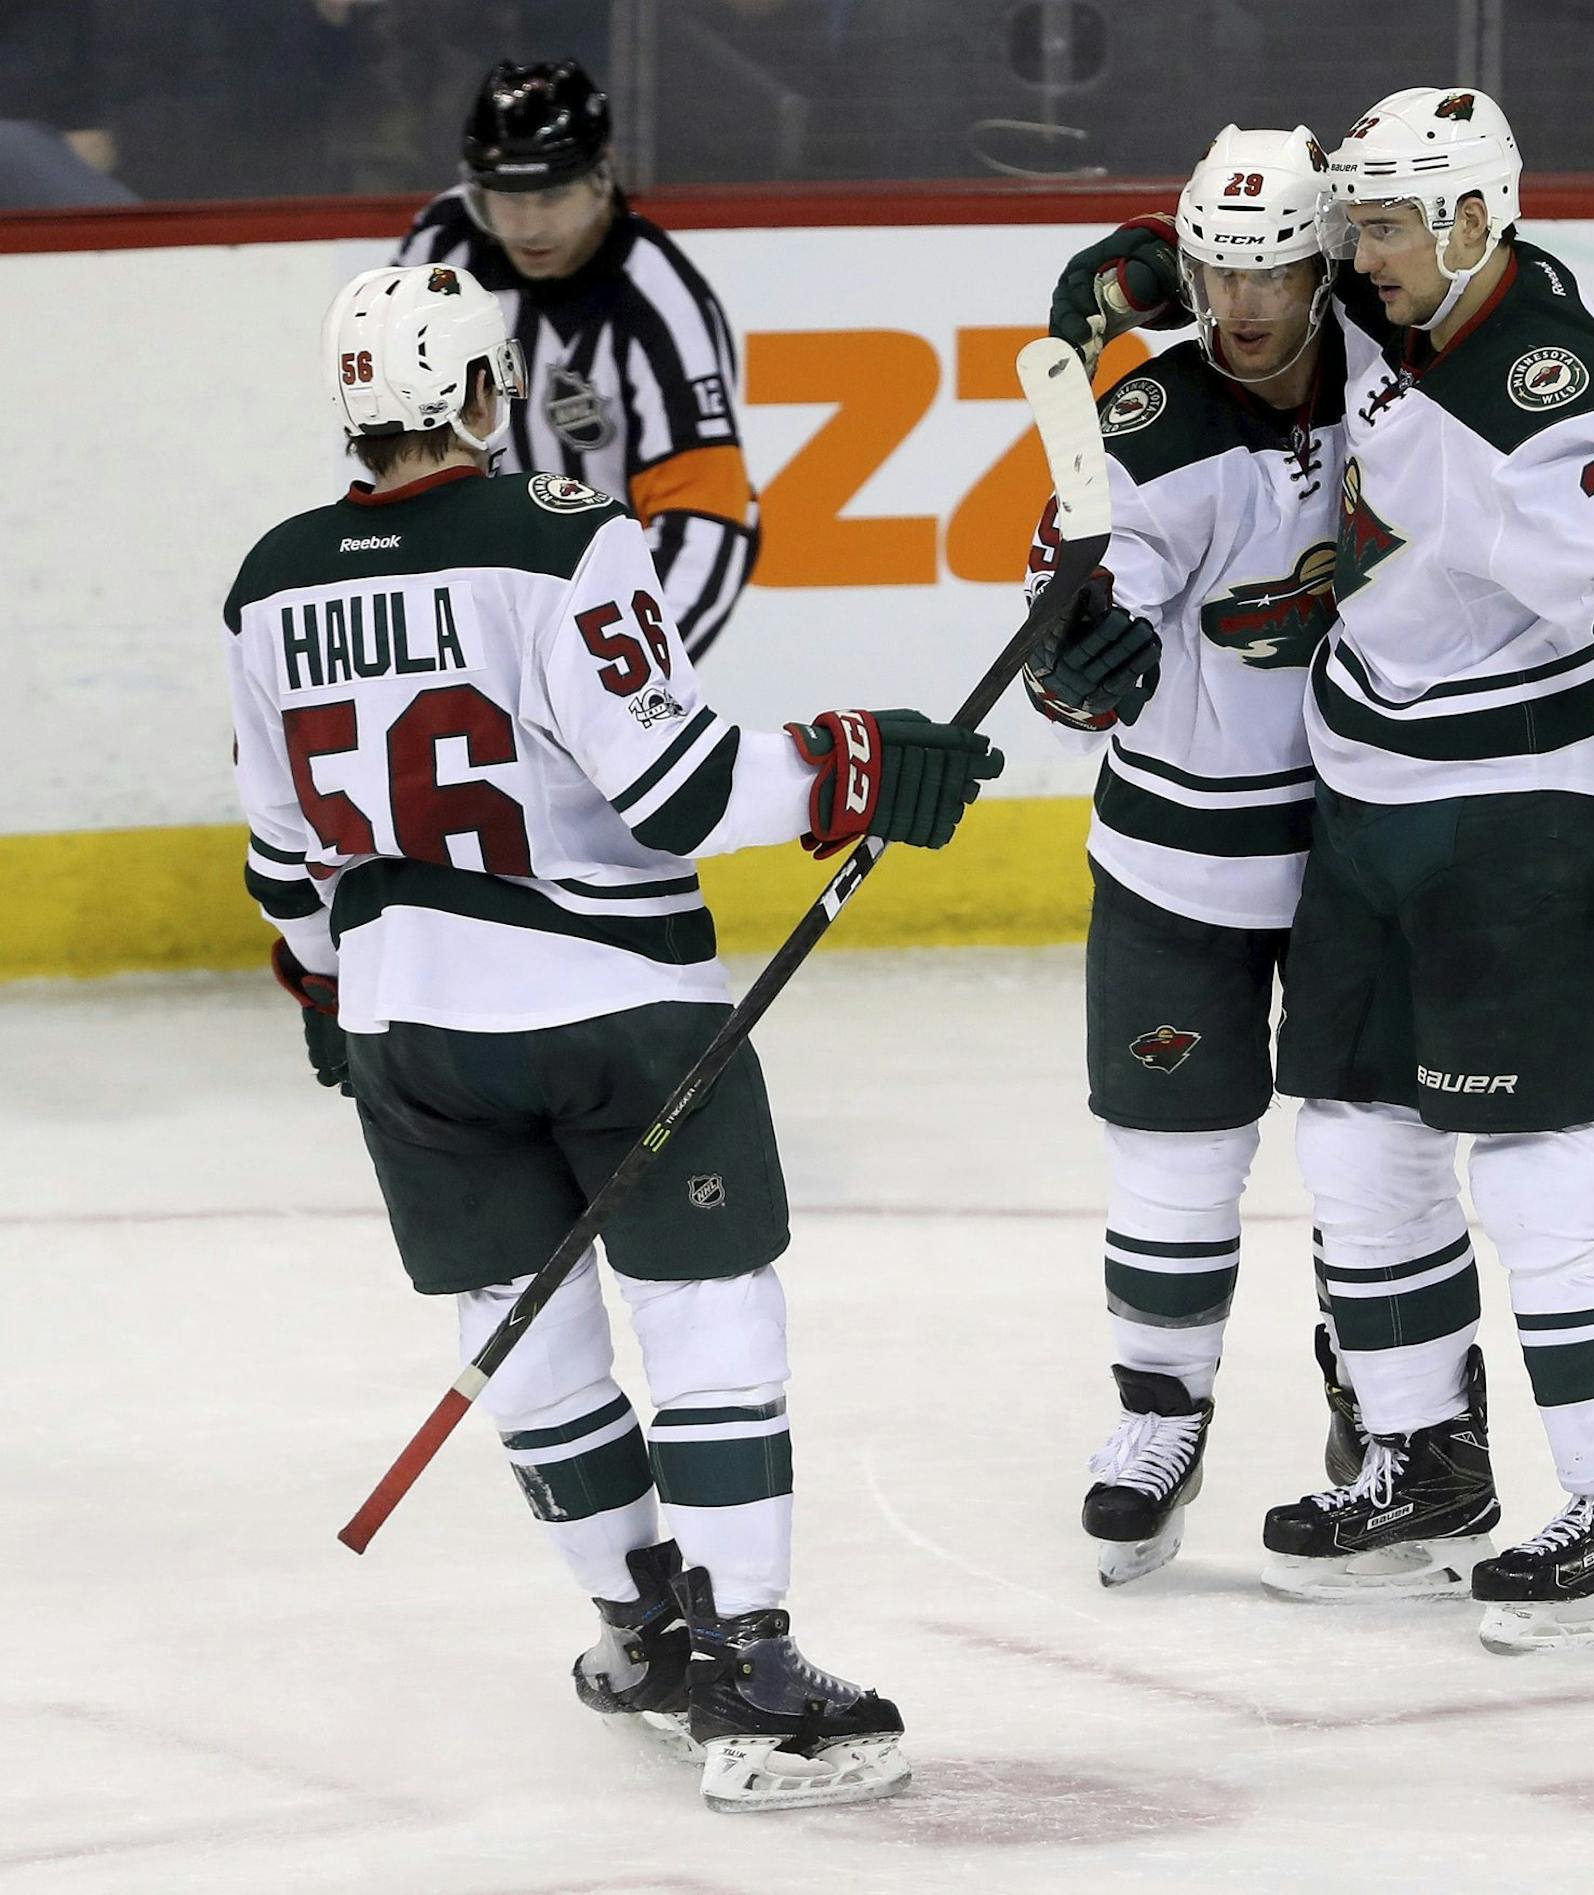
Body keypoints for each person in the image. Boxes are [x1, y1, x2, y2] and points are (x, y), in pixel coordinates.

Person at [226, 262, 1003, 1806]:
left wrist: (330, 994)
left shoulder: (270, 576)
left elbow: (277, 850)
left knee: (516, 1311)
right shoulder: (564, 535)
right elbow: (679, 792)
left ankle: (640, 1626)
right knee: (709, 1308)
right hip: (609, 1005)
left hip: (405, 1030)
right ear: (474, 394)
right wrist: (867, 760)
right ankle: (752, 1665)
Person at [1048, 88, 1594, 1649]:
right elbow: (1227, 338)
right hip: (1368, 794)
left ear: (1466, 224)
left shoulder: (1537, 391)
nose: (1349, 259)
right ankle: (1426, 1462)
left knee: (1535, 1152)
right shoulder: (1403, 319)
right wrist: (1140, 293)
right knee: (1361, 1135)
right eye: (1350, 229)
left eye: (1373, 230)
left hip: (1515, 805)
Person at [1022, 126, 1355, 1586]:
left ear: (1330, 254)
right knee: (1171, 1159)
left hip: (1365, 841)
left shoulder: (1408, 383)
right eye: (1214, 266)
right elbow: (1087, 585)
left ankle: (1392, 1407)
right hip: (1178, 855)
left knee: (1377, 1164)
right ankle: (1161, 1415)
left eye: (1274, 263)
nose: (1244, 300)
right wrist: (1076, 649)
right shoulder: (1145, 420)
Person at [393, 60, 758, 664]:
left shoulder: (659, 304)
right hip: (467, 601)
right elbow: (400, 442)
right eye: (506, 198)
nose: (530, 226)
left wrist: (612, 673)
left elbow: (708, 523)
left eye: (554, 194)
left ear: (602, 176)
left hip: (604, 609)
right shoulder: (443, 249)